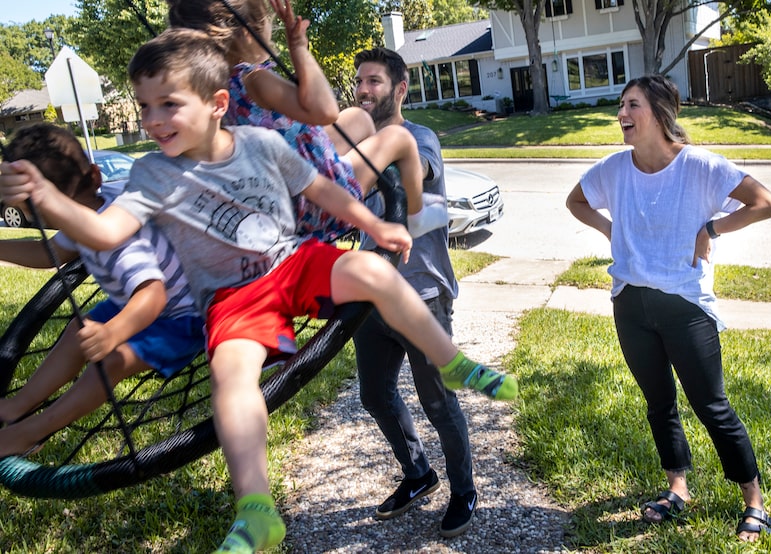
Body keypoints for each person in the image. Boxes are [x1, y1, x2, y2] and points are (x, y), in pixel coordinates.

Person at [0, 29, 517, 553]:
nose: (152, 120)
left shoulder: (260, 145)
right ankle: (256, 508)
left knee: (373, 272)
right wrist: (44, 196)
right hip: (231, 300)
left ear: (218, 103)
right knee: (231, 380)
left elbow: (322, 190)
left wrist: (375, 225)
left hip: (291, 262)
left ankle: (452, 361)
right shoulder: (150, 174)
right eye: (144, 106)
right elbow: (103, 230)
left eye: (169, 105)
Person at [565, 74, 771, 542]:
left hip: (685, 305)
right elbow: (575, 201)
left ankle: (754, 501)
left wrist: (713, 230)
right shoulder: (614, 168)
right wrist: (610, 230)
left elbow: (767, 203)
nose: (622, 115)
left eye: (632, 105)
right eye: (621, 105)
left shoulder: (700, 166)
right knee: (659, 404)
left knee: (711, 405)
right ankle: (677, 490)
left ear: (661, 114)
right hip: (631, 303)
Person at [0, 123, 204, 458]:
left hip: (182, 314)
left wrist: (113, 334)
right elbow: (50, 253)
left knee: (111, 361)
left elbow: (153, 293)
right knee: (75, 331)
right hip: (133, 300)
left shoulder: (117, 236)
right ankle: (18, 405)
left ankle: (33, 430)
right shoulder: (89, 206)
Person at [166, 0, 447, 241]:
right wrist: (299, 48)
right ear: (248, 33)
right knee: (398, 138)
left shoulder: (209, 93)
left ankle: (360, 173)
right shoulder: (253, 78)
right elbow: (325, 110)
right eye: (269, 22)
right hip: (319, 199)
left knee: (358, 118)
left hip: (272, 203)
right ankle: (417, 214)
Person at [350, 46, 477, 539]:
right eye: (359, 82)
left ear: (400, 89)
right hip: (372, 298)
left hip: (422, 294)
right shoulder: (354, 146)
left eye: (374, 82)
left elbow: (414, 174)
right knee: (374, 396)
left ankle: (464, 490)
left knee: (439, 401)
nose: (363, 90)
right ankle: (419, 473)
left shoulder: (417, 137)